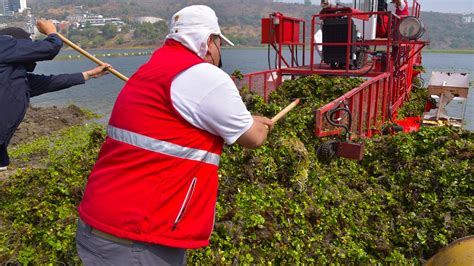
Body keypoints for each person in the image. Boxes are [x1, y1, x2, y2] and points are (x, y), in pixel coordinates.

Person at [76, 5, 273, 265]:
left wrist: (246, 121)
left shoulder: (149, 70)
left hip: (98, 226)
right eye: (219, 44)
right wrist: (260, 124)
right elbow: (254, 137)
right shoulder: (204, 75)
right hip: (138, 240)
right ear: (208, 41)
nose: (219, 53)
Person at [0, 20, 110, 171]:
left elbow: (50, 82)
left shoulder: (13, 79)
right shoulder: (4, 43)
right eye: (27, 48)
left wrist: (89, 74)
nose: (30, 54)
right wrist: (52, 32)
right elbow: (50, 48)